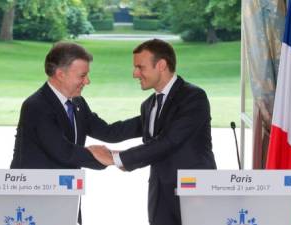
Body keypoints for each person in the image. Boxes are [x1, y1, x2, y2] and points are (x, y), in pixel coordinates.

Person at [89, 39, 217, 225]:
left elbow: (169, 141)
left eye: (140, 67)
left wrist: (116, 158)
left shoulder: (193, 97)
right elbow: (114, 132)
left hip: (194, 191)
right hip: (160, 194)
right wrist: (77, 107)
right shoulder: (149, 105)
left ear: (161, 65)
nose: (135, 74)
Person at [10, 42, 139, 224]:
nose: (87, 81)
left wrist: (150, 120)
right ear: (60, 74)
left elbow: (109, 132)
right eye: (83, 75)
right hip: (35, 198)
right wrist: (111, 159)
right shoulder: (37, 106)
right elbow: (63, 152)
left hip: (66, 194)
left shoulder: (78, 103)